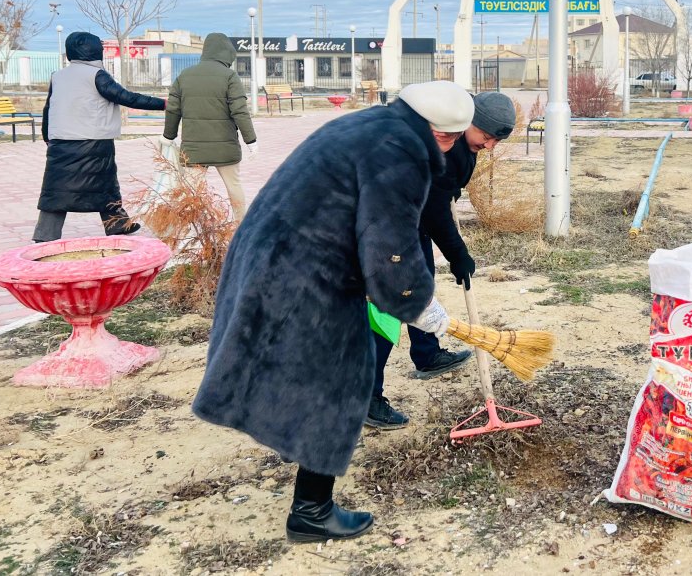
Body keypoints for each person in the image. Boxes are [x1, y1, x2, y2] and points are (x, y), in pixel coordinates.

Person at [192, 80, 474, 543]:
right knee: (339, 379)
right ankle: (311, 512)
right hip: (304, 270)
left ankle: (295, 454)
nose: (448, 146)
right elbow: (390, 242)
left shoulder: (370, 122)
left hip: (268, 252)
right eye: (448, 138)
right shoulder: (401, 152)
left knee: (298, 368)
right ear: (439, 132)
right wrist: (416, 302)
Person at [366, 91, 518, 428]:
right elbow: (434, 210)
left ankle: (427, 354)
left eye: (496, 140)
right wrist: (458, 253)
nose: (490, 146)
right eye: (487, 137)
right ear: (468, 123)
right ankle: (366, 398)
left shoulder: (460, 143)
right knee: (386, 316)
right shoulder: (438, 142)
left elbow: (436, 199)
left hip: (408, 221)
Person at [33, 31, 167, 242]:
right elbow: (125, 97)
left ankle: (45, 234)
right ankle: (117, 224)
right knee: (104, 185)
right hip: (93, 142)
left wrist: (47, 135)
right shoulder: (96, 75)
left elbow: (48, 107)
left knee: (56, 189)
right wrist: (163, 104)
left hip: (60, 142)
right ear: (95, 51)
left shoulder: (58, 76)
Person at [162, 32, 257, 220]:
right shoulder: (230, 77)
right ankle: (240, 226)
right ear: (226, 53)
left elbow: (173, 109)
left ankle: (191, 231)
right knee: (234, 186)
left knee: (191, 192)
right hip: (225, 147)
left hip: (193, 148)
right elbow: (240, 111)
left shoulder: (184, 76)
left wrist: (168, 136)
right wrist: (251, 140)